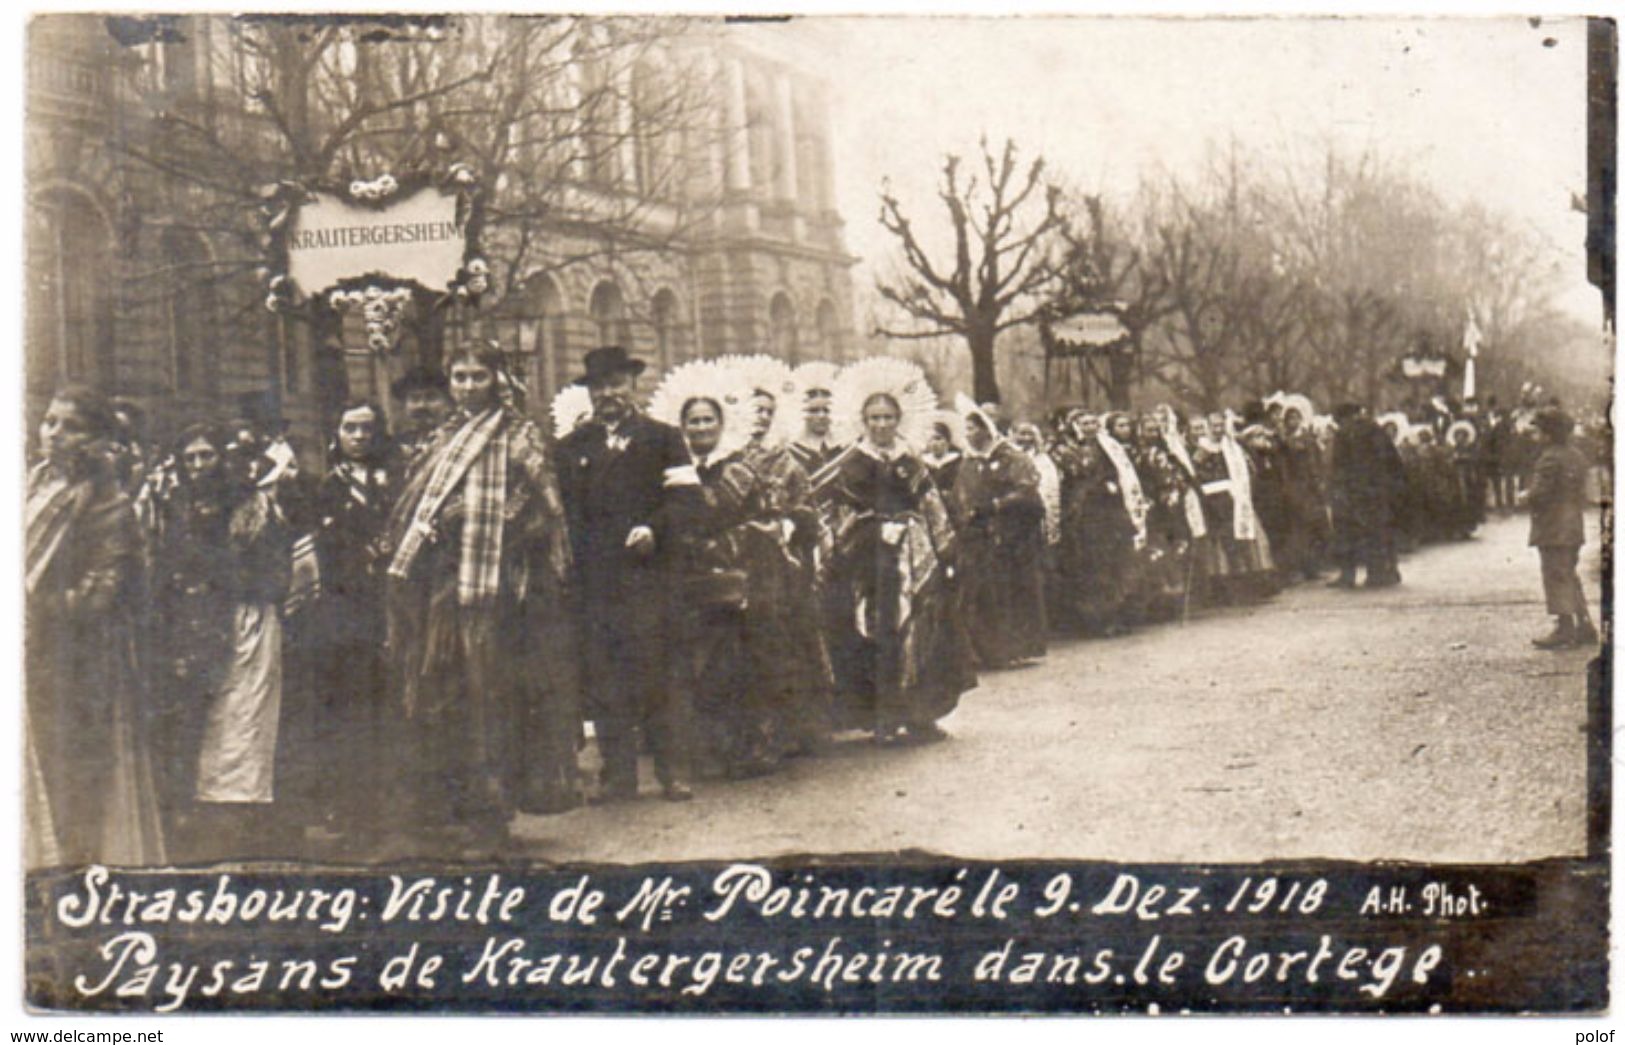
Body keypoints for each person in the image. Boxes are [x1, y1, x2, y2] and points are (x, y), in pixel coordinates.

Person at [383, 345, 578, 851]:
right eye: (460, 377)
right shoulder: (441, 437)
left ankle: (496, 811)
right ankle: (453, 806)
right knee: (443, 691)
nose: (468, 387)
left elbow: (544, 509)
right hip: (442, 586)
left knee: (493, 694)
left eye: (478, 376)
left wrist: (486, 524)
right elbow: (413, 506)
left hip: (501, 586)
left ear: (497, 380)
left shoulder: (519, 434)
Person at [26, 386, 166, 868]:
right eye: (49, 421)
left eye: (70, 426)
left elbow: (99, 595)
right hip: (29, 649)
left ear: (97, 439)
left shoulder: (108, 503)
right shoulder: (32, 485)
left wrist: (31, 603)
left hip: (75, 658)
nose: (54, 433)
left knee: (71, 773)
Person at [556, 345, 700, 802]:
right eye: (599, 387)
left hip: (649, 578)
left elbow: (687, 501)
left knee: (658, 674)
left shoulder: (663, 437)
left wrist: (653, 528)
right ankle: (617, 774)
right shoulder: (571, 446)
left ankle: (671, 772)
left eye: (616, 384)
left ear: (632, 385)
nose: (608, 394)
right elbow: (561, 512)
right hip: (595, 583)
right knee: (604, 678)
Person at [153, 419, 291, 860]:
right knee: (203, 713)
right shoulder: (177, 505)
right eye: (189, 457)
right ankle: (202, 811)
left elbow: (272, 568)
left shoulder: (250, 503)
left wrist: (223, 580)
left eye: (206, 455)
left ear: (221, 457)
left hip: (244, 618)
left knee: (244, 715)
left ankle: (242, 815)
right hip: (194, 623)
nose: (197, 465)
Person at [823, 359, 976, 743]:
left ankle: (921, 714)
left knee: (923, 631)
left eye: (888, 417)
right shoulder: (851, 464)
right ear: (863, 420)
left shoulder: (911, 461)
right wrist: (872, 528)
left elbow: (933, 506)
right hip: (869, 563)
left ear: (899, 419)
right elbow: (838, 514)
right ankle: (883, 717)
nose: (881, 425)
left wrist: (944, 551)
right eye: (874, 418)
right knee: (878, 632)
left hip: (915, 558)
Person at [291, 399, 396, 843]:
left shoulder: (395, 482)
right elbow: (321, 550)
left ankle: (387, 809)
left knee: (384, 709)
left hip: (387, 606)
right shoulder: (326, 489)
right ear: (336, 433)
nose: (358, 437)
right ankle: (349, 811)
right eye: (349, 428)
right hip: (342, 614)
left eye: (367, 429)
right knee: (347, 710)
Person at [948, 396, 1046, 669]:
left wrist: (996, 506)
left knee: (1005, 591)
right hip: (976, 536)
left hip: (1007, 535)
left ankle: (1007, 648)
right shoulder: (969, 460)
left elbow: (1027, 493)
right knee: (979, 591)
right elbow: (960, 494)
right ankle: (981, 648)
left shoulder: (1013, 458)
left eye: (972, 428)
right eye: (965, 429)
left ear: (987, 428)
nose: (967, 434)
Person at [1520, 409, 1599, 649]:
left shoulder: (1549, 458)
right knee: (1569, 574)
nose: (1534, 434)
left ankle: (1565, 629)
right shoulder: (1575, 454)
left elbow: (1541, 494)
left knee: (1555, 575)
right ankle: (1584, 627)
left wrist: (1525, 496)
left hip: (1553, 527)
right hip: (1572, 524)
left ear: (1548, 434)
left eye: (1538, 429)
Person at [1326, 403, 1404, 589]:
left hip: (1351, 492)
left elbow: (1339, 466)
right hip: (1377, 492)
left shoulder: (1344, 434)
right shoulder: (1376, 430)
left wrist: (1337, 489)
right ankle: (1379, 573)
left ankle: (1348, 575)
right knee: (1376, 532)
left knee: (1347, 533)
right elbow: (1394, 462)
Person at [390, 364, 454, 467]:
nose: (422, 405)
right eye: (414, 399)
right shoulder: (396, 444)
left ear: (448, 402)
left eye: (431, 397)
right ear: (404, 405)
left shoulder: (455, 439)